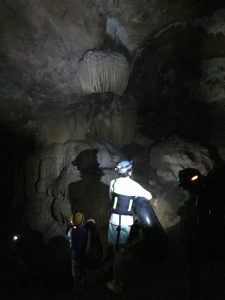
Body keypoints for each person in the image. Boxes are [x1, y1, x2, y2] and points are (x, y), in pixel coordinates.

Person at [106, 160, 152, 294]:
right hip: (126, 221)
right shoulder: (134, 185)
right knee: (120, 251)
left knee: (115, 249)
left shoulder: (113, 183)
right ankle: (118, 284)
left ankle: (117, 273)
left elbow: (111, 198)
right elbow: (148, 196)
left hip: (113, 220)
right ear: (130, 172)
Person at [67, 211, 88, 286]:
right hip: (81, 252)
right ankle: (82, 280)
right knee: (81, 266)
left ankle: (75, 280)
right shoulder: (84, 230)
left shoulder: (71, 230)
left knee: (74, 266)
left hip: (74, 252)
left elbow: (69, 239)